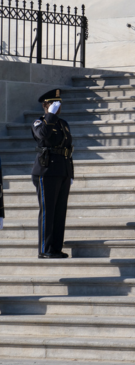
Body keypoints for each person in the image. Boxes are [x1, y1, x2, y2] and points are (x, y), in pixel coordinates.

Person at [31, 89, 73, 259]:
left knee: (59, 211)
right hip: (46, 170)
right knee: (48, 211)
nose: (58, 106)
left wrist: (69, 173)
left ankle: (56, 248)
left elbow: (68, 148)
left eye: (59, 104)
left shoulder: (63, 124)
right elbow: (42, 136)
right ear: (45, 105)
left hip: (62, 170)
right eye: (54, 104)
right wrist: (50, 116)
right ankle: (45, 249)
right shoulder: (39, 122)